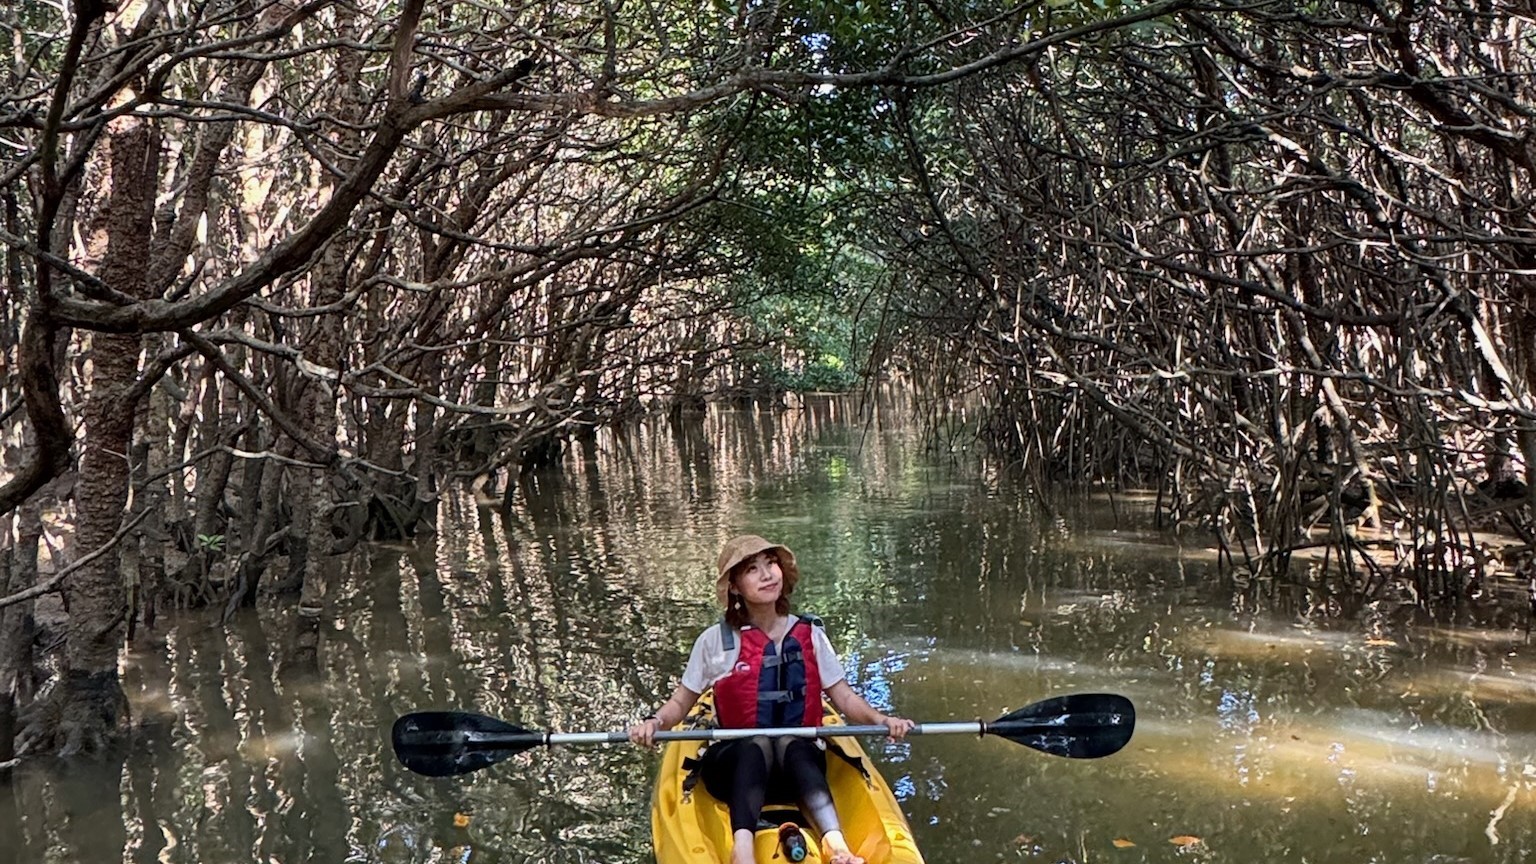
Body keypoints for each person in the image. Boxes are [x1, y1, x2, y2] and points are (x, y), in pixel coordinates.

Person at [628, 535, 914, 864]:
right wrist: (655, 722)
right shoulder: (714, 642)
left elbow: (844, 697)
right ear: (734, 587)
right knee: (758, 743)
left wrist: (883, 721)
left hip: (796, 770)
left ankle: (837, 847)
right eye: (753, 569)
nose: (767, 574)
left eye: (771, 564)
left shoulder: (811, 634)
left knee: (793, 742)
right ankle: (743, 851)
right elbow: (680, 703)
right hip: (736, 767)